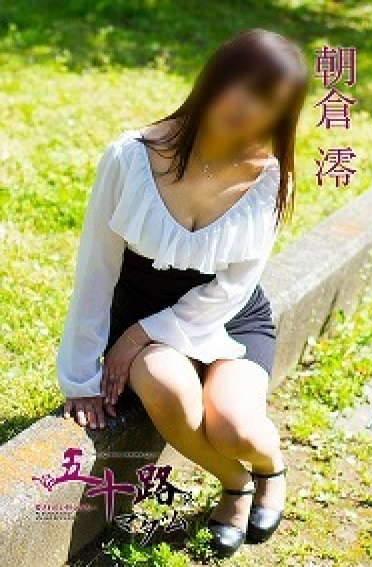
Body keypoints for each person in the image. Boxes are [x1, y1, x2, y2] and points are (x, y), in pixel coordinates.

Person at [57, 28, 308, 557]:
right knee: (162, 380)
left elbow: (235, 286)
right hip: (142, 319)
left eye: (268, 101)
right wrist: (79, 376)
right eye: (243, 86)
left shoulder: (269, 179)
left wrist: (139, 334)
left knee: (236, 427)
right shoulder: (130, 157)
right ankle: (236, 483)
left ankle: (270, 468)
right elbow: (96, 268)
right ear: (214, 78)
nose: (247, 107)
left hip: (229, 317)